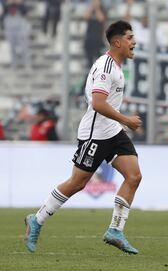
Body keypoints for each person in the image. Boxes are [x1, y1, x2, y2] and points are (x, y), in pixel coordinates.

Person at [24, 20, 142, 254]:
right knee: (77, 183)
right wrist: (126, 119)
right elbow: (97, 103)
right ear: (117, 42)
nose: (134, 42)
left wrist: (119, 123)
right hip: (95, 135)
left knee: (134, 176)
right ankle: (36, 219)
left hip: (113, 132)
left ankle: (115, 230)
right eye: (129, 38)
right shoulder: (106, 67)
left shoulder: (117, 67)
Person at [84, 0, 106, 69]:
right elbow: (86, 17)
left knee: (99, 63)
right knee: (89, 63)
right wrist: (92, 7)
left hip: (98, 40)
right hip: (89, 39)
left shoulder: (103, 9)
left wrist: (96, 8)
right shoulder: (90, 9)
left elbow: (101, 19)